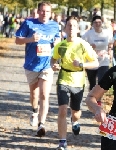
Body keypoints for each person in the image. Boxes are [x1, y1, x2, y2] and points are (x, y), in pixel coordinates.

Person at [50, 16, 99, 150]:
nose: (71, 28)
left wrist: (82, 64)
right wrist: (53, 65)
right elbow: (53, 59)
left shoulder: (83, 44)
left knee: (75, 111)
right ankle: (62, 141)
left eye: (74, 26)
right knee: (62, 110)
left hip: (78, 81)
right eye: (69, 26)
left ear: (78, 29)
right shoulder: (60, 45)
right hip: (63, 79)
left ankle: (75, 120)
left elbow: (96, 63)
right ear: (65, 28)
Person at [15, 1, 60, 137]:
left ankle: (42, 124)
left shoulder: (55, 25)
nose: (45, 13)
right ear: (38, 11)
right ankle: (34, 111)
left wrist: (57, 44)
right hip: (31, 65)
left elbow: (58, 41)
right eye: (42, 11)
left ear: (51, 13)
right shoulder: (29, 23)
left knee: (44, 95)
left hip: (47, 65)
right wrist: (30, 39)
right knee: (34, 95)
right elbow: (17, 40)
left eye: (47, 11)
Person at [82, 15, 113, 91]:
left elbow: (110, 44)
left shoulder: (107, 33)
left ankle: (98, 100)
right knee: (92, 83)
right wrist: (89, 46)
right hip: (91, 61)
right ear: (92, 24)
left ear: (102, 23)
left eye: (99, 22)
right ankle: (91, 99)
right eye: (95, 22)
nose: (97, 24)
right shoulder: (88, 34)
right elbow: (82, 46)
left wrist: (109, 52)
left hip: (103, 60)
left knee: (101, 81)